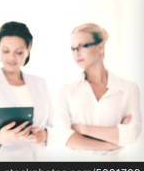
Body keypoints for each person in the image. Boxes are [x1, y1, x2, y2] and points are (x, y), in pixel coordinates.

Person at [56, 23, 142, 160]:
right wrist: (110, 144)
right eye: (73, 49)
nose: (76, 53)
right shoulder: (67, 91)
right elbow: (63, 136)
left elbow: (131, 135)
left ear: (100, 47)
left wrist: (82, 129)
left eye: (83, 46)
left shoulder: (128, 88)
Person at [0, 21, 53, 161]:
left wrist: (45, 135)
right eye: (5, 51)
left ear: (29, 49)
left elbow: (54, 124)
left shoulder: (40, 83)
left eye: (19, 52)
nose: (11, 57)